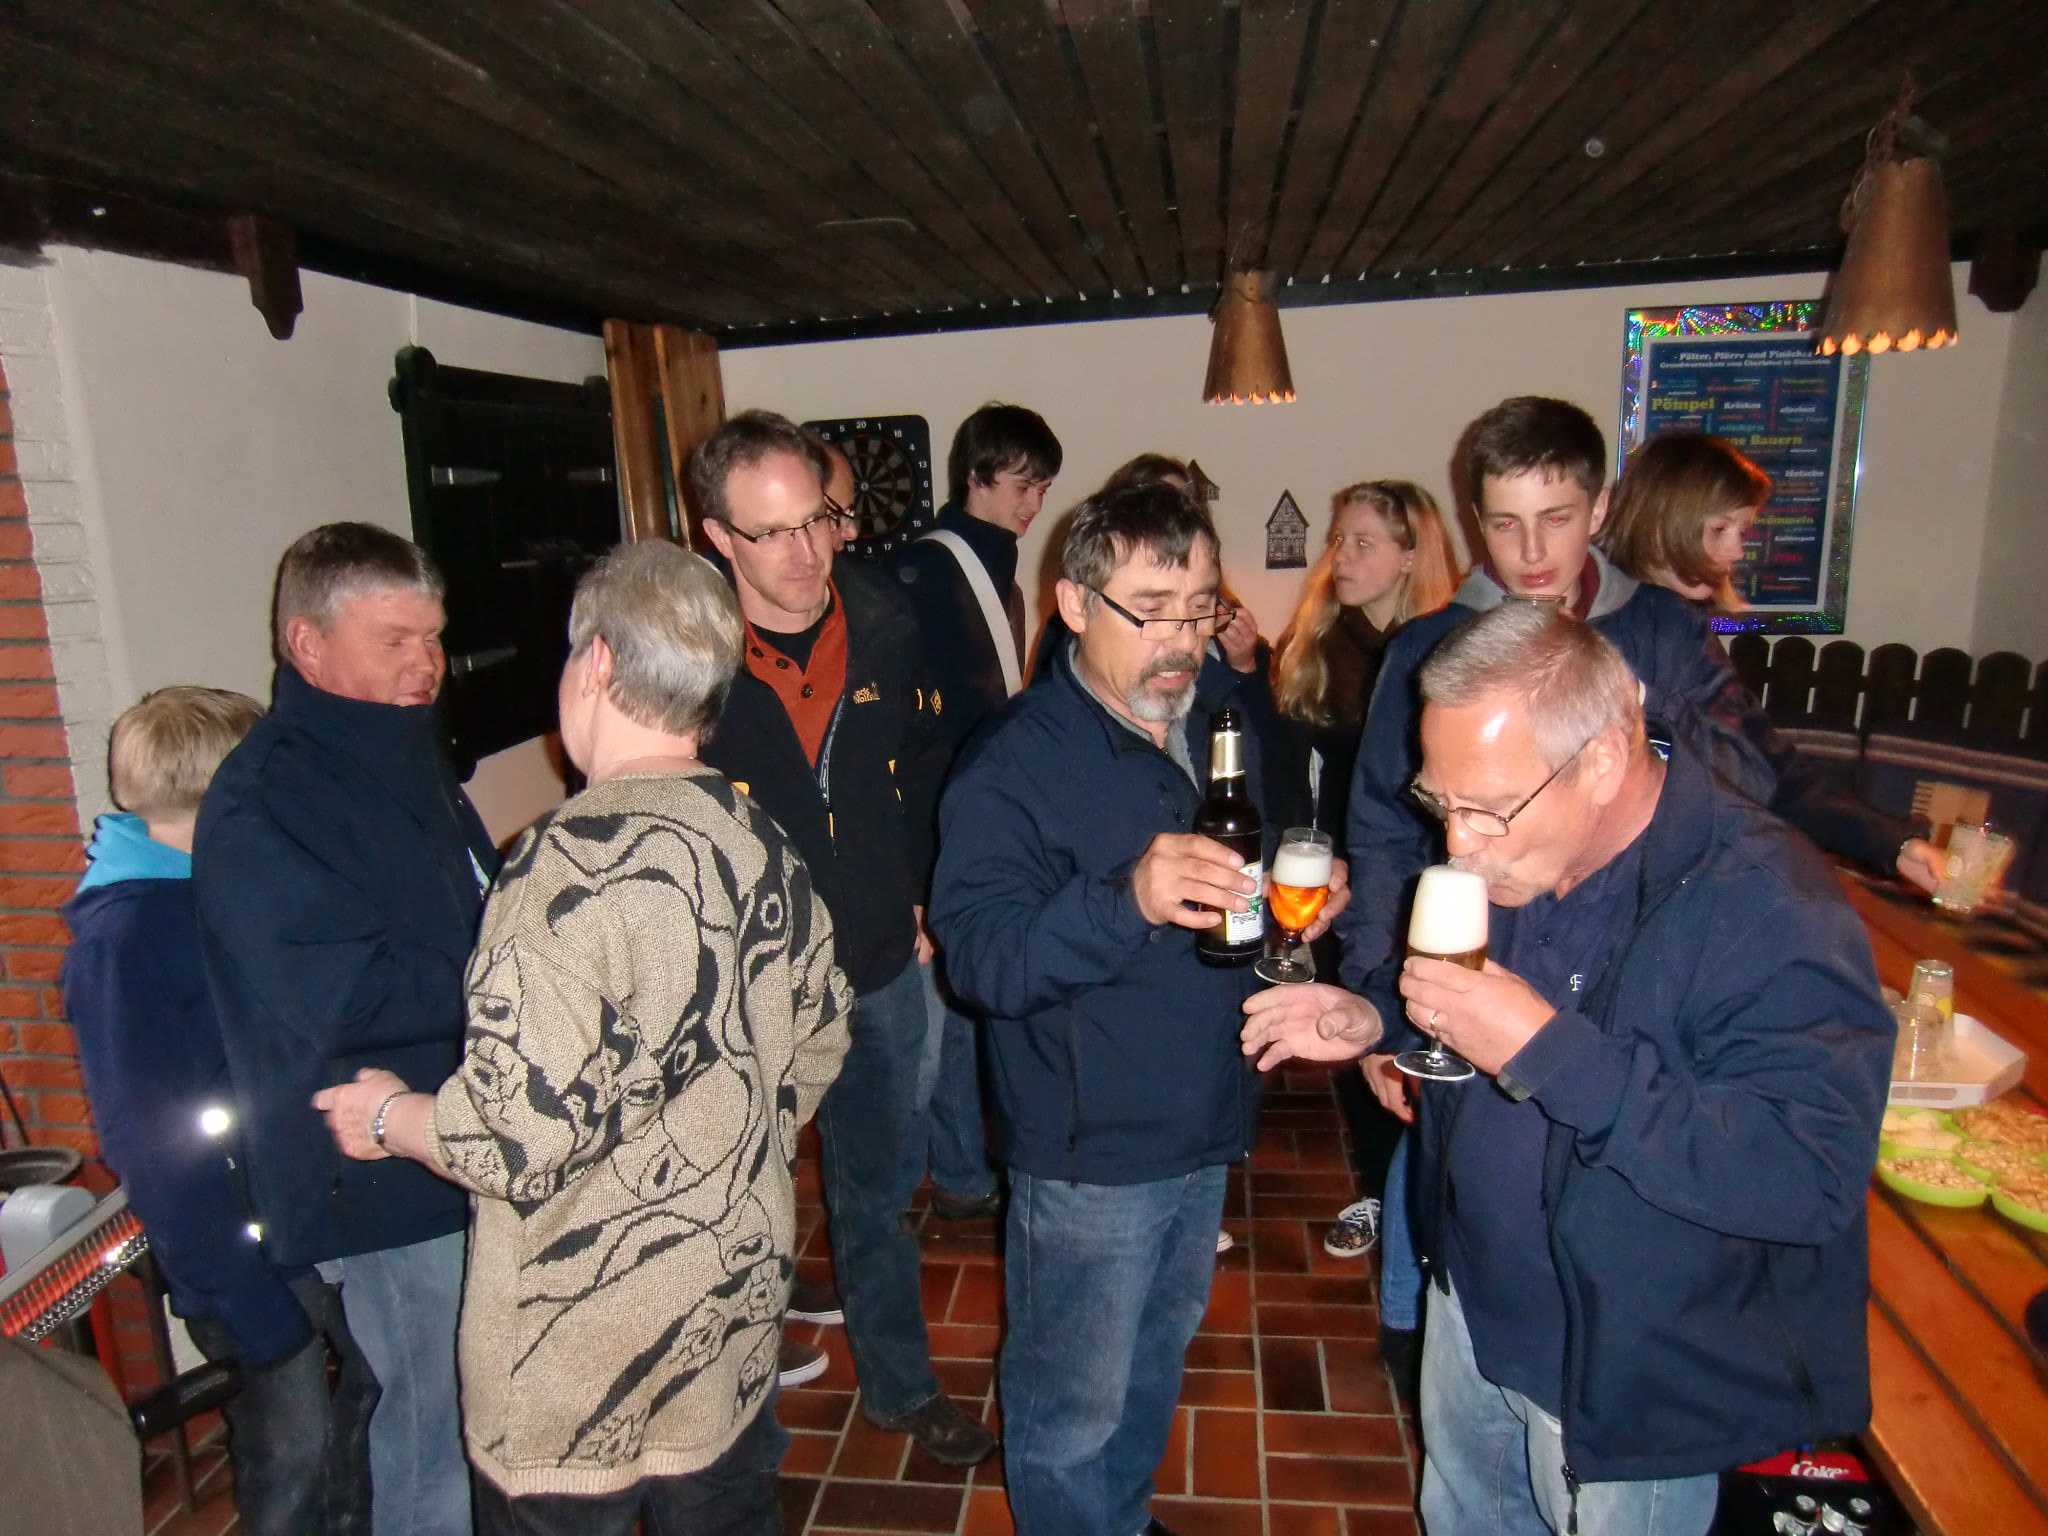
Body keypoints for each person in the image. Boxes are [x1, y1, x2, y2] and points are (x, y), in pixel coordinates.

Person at [1243, 601, 1892, 1536]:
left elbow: (1807, 1174)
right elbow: (1463, 993)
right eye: (1439, 803)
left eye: (1485, 809)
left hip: (1629, 1379)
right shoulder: (1514, 852)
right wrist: (1375, 1014)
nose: (1458, 844)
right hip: (1471, 1316)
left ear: (1603, 760)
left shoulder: (1770, 904)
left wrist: (1547, 1050)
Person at [313, 542, 851, 1534]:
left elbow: (509, 1139)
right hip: (727, 1304)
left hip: (573, 1357)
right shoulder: (757, 836)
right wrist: (716, 1145)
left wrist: (388, 1116)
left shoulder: (565, 868)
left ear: (596, 663)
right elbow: (819, 1033)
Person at [929, 481, 1348, 1536]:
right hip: (1091, 1154)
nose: (1181, 641)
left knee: (1152, 1368)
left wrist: (1294, 904)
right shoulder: (1013, 760)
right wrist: (1126, 900)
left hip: (1204, 1116)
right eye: (1150, 611)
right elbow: (979, 961)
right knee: (1069, 1410)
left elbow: (1240, 879)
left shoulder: (1209, 720)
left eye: (1199, 608)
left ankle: (1117, 1519)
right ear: (1074, 604)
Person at [1340, 397, 1776, 1397]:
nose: (1530, 551)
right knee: (1458, 1156)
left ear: (1600, 508)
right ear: (1474, 519)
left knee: (1602, 1158)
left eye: (1556, 518)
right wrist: (1376, 1004)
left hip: (1630, 972)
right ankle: (1422, 1325)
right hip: (1474, 952)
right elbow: (1379, 833)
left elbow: (1752, 781)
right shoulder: (1426, 646)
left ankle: (1584, 1358)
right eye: (1503, 522)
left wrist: (1623, 724)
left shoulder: (1663, 631)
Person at [690, 409, 996, 1467]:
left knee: (878, 1194)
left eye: (818, 520)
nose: (806, 552)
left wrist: (919, 891)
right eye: (771, 532)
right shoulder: (683, 654)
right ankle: (734, 1433)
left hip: (876, 965)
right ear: (717, 536)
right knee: (734, 1204)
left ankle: (902, 1388)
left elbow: (923, 763)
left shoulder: (880, 615)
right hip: (744, 987)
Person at [196, 523, 497, 1536]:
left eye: (434, 636)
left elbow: (463, 906)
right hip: (368, 1169)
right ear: (307, 644)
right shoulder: (265, 800)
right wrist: (520, 975)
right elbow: (346, 996)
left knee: (467, 1407)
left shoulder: (400, 752)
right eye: (395, 640)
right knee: (430, 1425)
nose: (426, 664)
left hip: (447, 1127)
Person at [63, 686, 373, 1536]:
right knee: (291, 1448)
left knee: (368, 1395)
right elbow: (153, 1147)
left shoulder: (211, 892)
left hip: (291, 1224)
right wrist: (242, 1295)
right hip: (242, 1256)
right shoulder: (130, 936)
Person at [1600, 429, 1944, 891]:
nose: (1736, 551)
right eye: (1720, 529)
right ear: (1662, 523)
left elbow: (1767, 764)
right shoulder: (1618, 628)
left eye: (1741, 532)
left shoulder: (1679, 623)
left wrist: (1895, 843)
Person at [1267, 481, 1461, 1262]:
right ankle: (1381, 1190)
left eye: (1362, 542)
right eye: (1338, 539)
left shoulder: (1444, 650)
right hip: (1347, 872)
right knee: (1365, 1026)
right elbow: (1288, 774)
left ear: (1411, 557)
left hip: (1435, 871)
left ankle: (1432, 1195)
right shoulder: (1316, 643)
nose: (1340, 557)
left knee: (1436, 1029)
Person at [889, 403, 1063, 1221]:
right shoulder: (926, 572)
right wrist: (916, 876)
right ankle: (891, 1198)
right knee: (922, 1036)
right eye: (1022, 484)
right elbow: (909, 736)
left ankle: (960, 1170)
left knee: (962, 1009)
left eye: (1043, 487)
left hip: (970, 824)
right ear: (976, 476)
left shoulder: (992, 570)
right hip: (931, 833)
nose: (1034, 503)